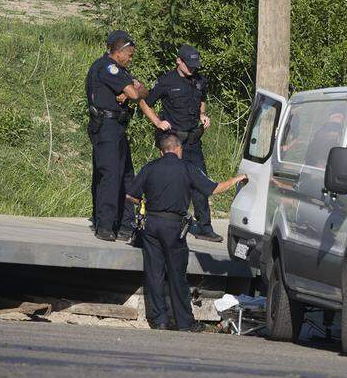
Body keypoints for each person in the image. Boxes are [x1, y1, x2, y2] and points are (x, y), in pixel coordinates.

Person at [126, 131, 247, 331]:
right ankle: (185, 322)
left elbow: (130, 195)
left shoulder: (150, 167)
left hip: (151, 225)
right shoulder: (187, 168)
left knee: (154, 274)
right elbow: (214, 189)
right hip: (174, 227)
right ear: (178, 148)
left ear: (162, 151)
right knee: (177, 275)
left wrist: (143, 203)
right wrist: (237, 179)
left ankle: (159, 320)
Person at [86, 30, 165, 242]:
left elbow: (143, 92)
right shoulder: (107, 68)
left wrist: (134, 90)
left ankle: (124, 224)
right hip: (106, 127)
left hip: (118, 128)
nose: (131, 59)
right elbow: (134, 93)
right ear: (119, 51)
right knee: (110, 176)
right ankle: (105, 225)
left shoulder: (121, 71)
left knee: (127, 176)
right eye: (129, 55)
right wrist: (132, 91)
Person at [141, 45, 220, 241]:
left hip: (193, 141)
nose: (192, 68)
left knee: (200, 182)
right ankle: (166, 221)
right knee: (171, 182)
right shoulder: (166, 81)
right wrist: (157, 122)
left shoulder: (200, 80)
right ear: (178, 61)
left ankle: (204, 227)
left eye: (195, 65)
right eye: (189, 65)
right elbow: (145, 102)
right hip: (173, 142)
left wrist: (202, 115)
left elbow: (202, 100)